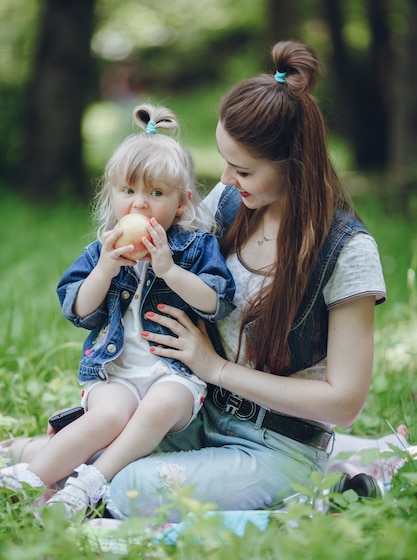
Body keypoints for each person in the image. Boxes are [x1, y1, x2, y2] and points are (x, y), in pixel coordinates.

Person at [103, 39, 388, 520]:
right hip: (198, 410)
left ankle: (316, 497)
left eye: (243, 169)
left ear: (294, 162)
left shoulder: (347, 251)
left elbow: (343, 402)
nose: (227, 178)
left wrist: (216, 368)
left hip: (278, 444)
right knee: (95, 449)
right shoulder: (230, 205)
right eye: (224, 161)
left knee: (130, 490)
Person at [0, 103, 235, 519]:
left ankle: (89, 483)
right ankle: (33, 479)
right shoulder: (103, 250)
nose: (139, 207)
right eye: (128, 192)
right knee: (108, 414)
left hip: (174, 375)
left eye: (156, 194)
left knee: (160, 405)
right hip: (116, 371)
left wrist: (169, 270)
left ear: (182, 203)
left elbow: (217, 301)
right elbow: (76, 307)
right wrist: (106, 269)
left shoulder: (196, 248)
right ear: (111, 193)